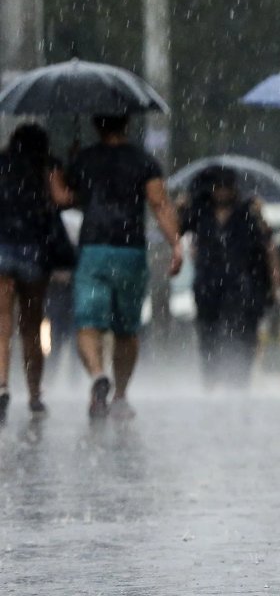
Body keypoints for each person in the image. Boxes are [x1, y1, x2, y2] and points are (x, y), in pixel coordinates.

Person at [65, 113, 182, 420]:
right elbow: (159, 204)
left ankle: (96, 375)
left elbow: (68, 198)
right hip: (130, 251)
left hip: (94, 248)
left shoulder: (85, 159)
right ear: (126, 124)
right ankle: (120, 396)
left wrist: (72, 164)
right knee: (126, 329)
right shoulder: (143, 161)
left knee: (88, 324)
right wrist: (176, 244)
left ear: (96, 125)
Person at [178, 167, 280, 386]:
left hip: (244, 284)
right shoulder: (200, 212)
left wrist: (274, 285)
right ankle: (211, 379)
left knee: (243, 335)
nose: (222, 192)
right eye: (218, 187)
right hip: (209, 284)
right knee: (209, 335)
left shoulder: (248, 212)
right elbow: (179, 230)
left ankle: (239, 380)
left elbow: (268, 246)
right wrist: (180, 208)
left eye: (227, 186)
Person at [0, 124, 74, 421]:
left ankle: (2, 386)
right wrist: (69, 171)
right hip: (34, 249)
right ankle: (34, 394)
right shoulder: (48, 166)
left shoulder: (1, 164)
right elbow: (62, 200)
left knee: (1, 325)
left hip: (2, 247)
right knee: (31, 327)